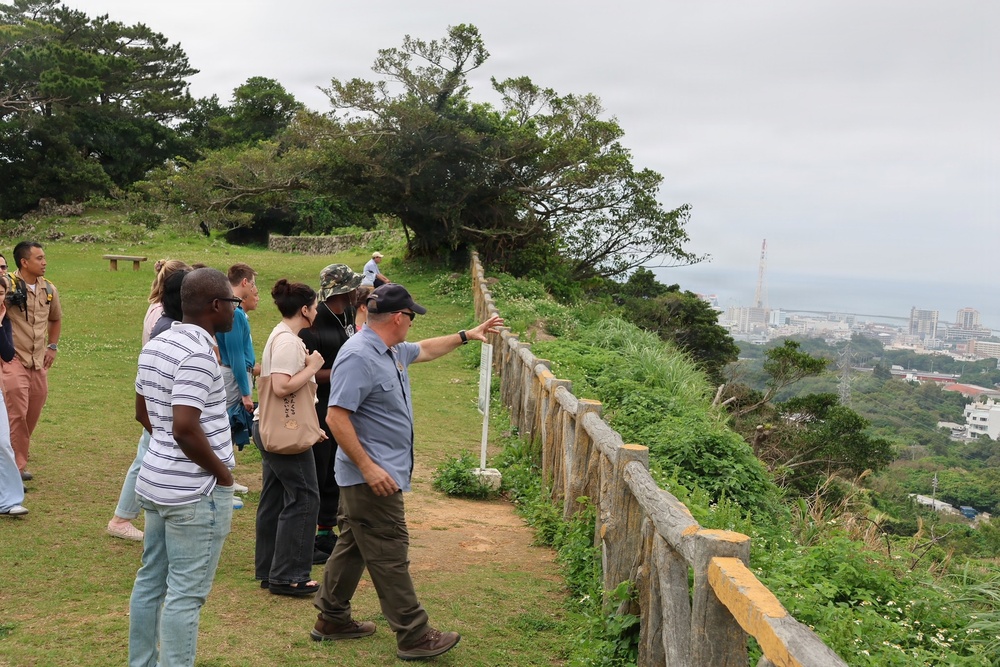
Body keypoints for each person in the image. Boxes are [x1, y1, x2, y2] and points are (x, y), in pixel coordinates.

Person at [310, 283, 502, 660]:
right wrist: (369, 468)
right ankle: (414, 634)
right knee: (389, 551)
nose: (413, 323)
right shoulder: (359, 355)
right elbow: (336, 416)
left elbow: (426, 349)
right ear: (399, 318)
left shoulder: (391, 348)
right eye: (411, 316)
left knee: (353, 546)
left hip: (376, 475)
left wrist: (467, 335)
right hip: (372, 479)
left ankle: (331, 617)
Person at [128, 268, 238, 667]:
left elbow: (144, 412)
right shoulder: (198, 354)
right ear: (215, 306)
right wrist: (223, 475)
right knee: (185, 596)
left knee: (150, 583)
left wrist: (166, 450)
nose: (235, 310)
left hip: (156, 484)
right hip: (194, 494)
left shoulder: (158, 344)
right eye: (233, 303)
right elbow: (185, 428)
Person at [108, 260, 191, 541]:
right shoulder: (164, 319)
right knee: (144, 458)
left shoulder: (157, 309)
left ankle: (125, 516)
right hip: (158, 399)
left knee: (144, 457)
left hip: (154, 395)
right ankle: (121, 518)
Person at [254, 280, 326, 596]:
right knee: (305, 497)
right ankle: (289, 575)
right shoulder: (287, 341)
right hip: (285, 434)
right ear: (304, 309)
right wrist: (314, 366)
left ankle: (270, 570)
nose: (318, 309)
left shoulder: (282, 335)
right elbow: (283, 388)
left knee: (273, 498)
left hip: (272, 427)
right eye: (315, 304)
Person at [298, 264, 362, 563]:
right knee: (319, 470)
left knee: (335, 473)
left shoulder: (347, 314)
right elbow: (305, 373)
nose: (356, 291)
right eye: (352, 287)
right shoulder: (313, 325)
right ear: (342, 291)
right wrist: (342, 372)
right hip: (319, 407)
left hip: (344, 404)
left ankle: (326, 532)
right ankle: (305, 537)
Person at [2, 241, 62, 481]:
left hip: (38, 361)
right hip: (12, 358)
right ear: (24, 262)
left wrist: (53, 347)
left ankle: (14, 457)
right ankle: (14, 470)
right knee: (16, 413)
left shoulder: (49, 289)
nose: (44, 262)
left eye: (44, 257)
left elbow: (55, 319)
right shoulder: (6, 285)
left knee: (32, 413)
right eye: (39, 258)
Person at [0, 275, 28, 517]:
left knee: (3, 442)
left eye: (0, 294)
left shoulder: (4, 321)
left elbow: (8, 354)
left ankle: (10, 501)